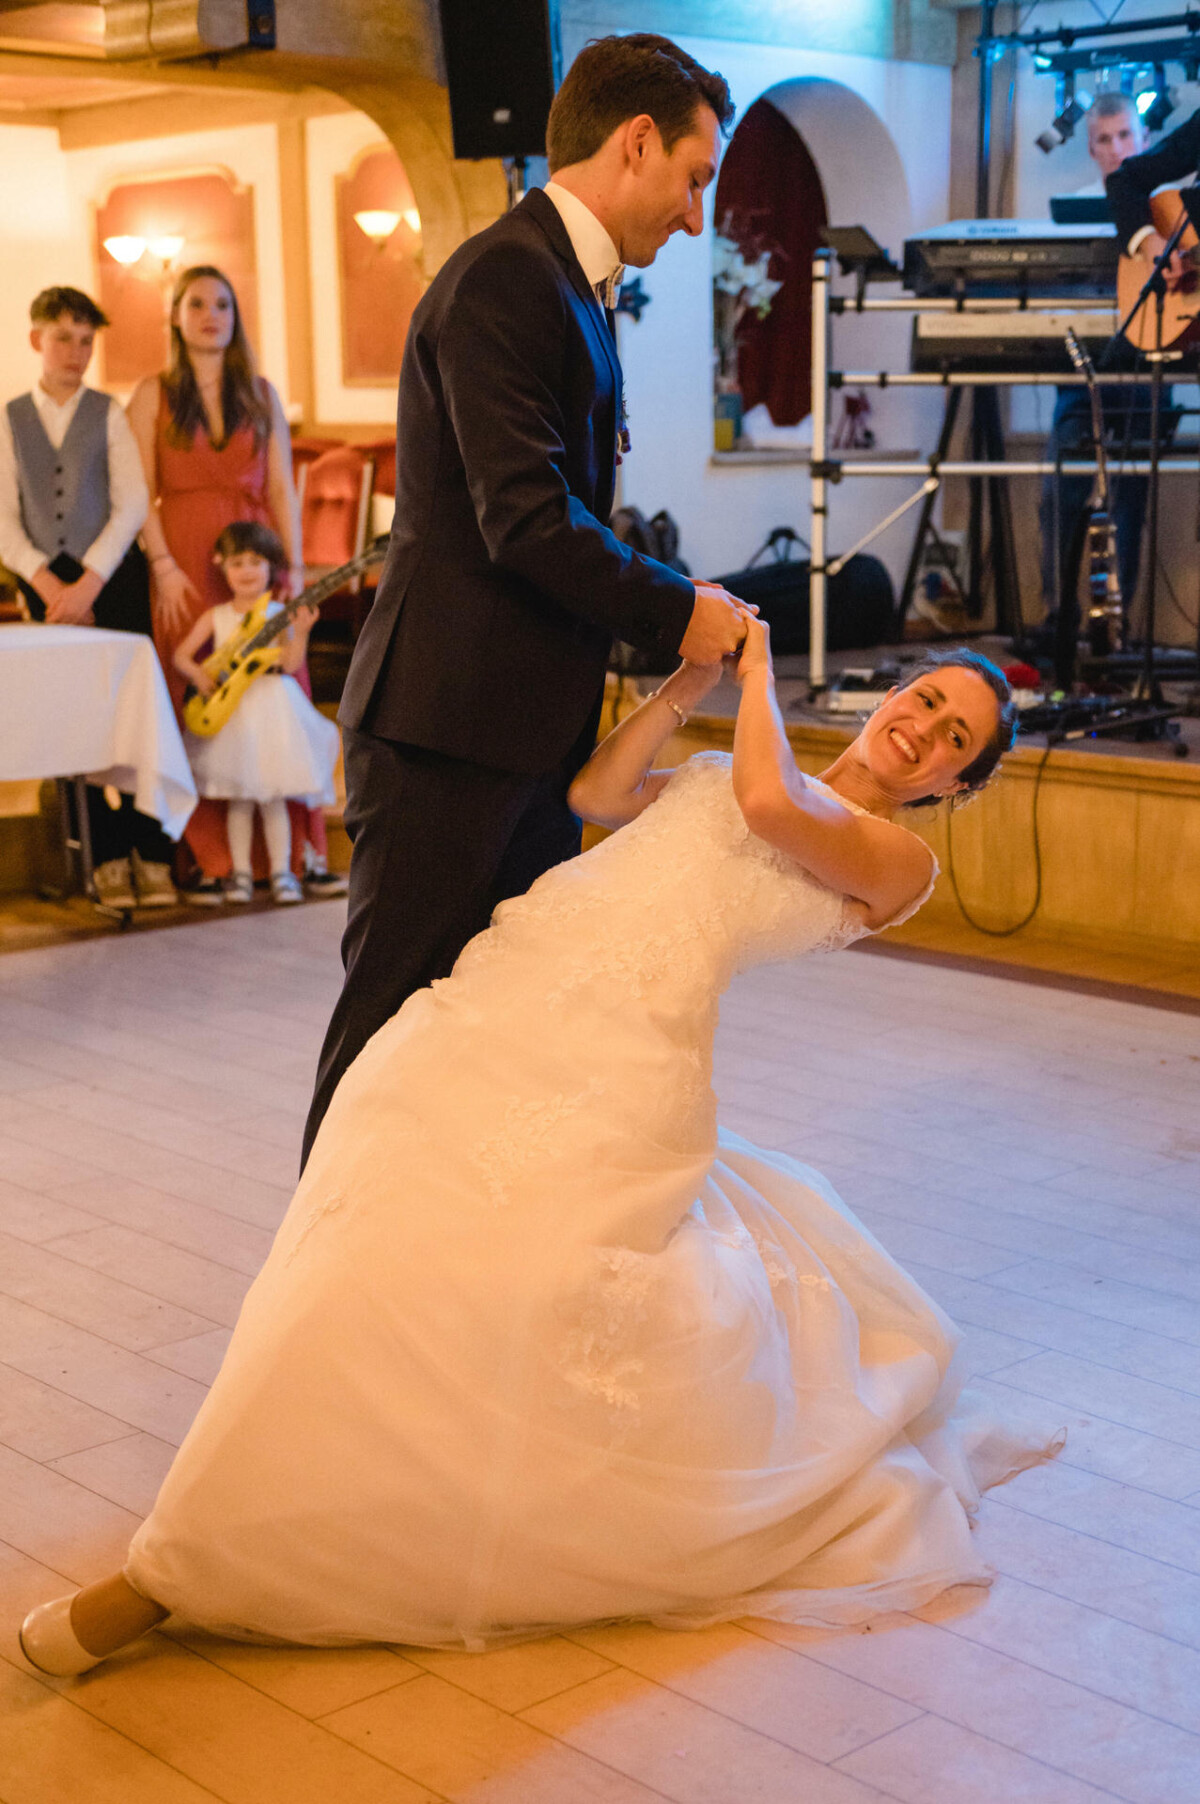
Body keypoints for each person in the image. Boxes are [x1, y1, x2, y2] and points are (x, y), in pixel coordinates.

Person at [18, 630, 1063, 1674]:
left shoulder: (896, 858)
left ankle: (184, 1565)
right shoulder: (724, 761)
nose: (919, 727)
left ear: (956, 783)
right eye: (924, 698)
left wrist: (753, 670)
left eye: (952, 735)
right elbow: (601, 793)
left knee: (506, 1269)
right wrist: (686, 684)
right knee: (374, 1227)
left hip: (624, 1059)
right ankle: (274, 1504)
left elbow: (772, 808)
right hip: (505, 996)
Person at [302, 34, 753, 1170]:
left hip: (520, 739)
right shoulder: (510, 275)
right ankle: (321, 1320)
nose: (697, 217)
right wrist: (673, 614)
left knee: (498, 1033)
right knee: (386, 1040)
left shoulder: (571, 285)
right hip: (445, 737)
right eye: (697, 178)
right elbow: (527, 519)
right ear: (637, 141)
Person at [127, 267, 344, 904]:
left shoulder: (260, 392)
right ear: (175, 315)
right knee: (194, 690)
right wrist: (162, 564)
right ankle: (210, 861)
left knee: (279, 686)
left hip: (257, 548)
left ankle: (295, 856)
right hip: (186, 559)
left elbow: (280, 486)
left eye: (222, 304)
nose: (210, 315)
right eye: (196, 304)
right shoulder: (152, 394)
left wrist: (296, 572)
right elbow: (140, 490)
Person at [0, 285, 176, 910]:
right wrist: (45, 581)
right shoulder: (10, 417)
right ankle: (100, 856)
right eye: (62, 338)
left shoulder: (108, 412)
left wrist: (92, 579)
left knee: (129, 711)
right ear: (35, 341)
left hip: (113, 580)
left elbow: (132, 502)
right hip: (43, 582)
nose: (75, 351)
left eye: (85, 340)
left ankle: (150, 852)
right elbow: (4, 518)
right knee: (70, 716)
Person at [1038, 93, 1162, 671]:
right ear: (1090, 148)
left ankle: (1116, 630)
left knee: (1130, 501)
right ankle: (1060, 624)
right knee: (1061, 494)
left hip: (1143, 368)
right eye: (1105, 140)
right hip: (1084, 364)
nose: (1116, 148)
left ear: (1141, 140)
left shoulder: (1162, 209)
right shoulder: (1077, 209)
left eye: (1125, 137)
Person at [172, 522, 338, 905]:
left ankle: (283, 872)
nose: (246, 571)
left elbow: (292, 662)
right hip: (234, 714)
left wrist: (304, 631)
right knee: (239, 800)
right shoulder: (216, 616)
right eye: (237, 563)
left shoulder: (281, 613)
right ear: (221, 567)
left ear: (272, 569)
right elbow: (182, 655)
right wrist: (199, 675)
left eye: (255, 562)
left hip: (271, 711)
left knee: (273, 798)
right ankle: (241, 874)